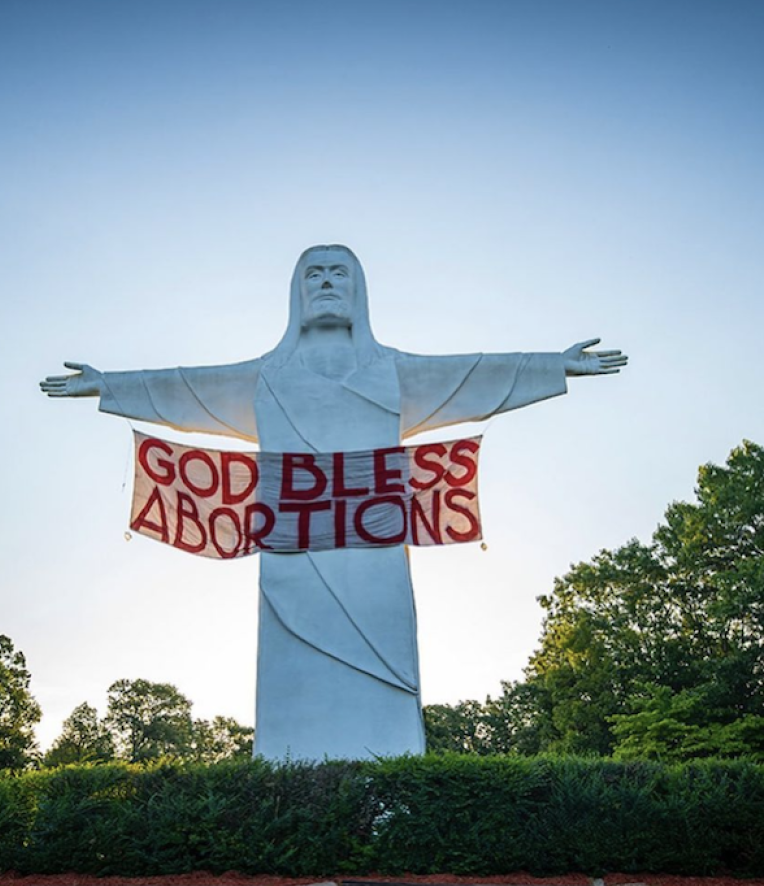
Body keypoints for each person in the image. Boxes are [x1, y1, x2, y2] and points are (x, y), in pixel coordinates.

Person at [41, 244, 627, 761]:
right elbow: (186, 388)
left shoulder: (391, 372)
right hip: (290, 559)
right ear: (296, 294)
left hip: (376, 557)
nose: (325, 282)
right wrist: (106, 386)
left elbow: (474, 375)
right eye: (313, 273)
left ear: (359, 290)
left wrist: (557, 366)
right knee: (292, 676)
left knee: (386, 675)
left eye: (338, 272)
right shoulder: (267, 377)